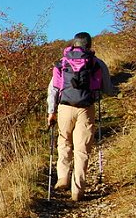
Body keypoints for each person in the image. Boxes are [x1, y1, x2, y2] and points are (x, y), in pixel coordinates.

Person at [46, 32, 116, 201]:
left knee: (64, 142)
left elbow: (53, 89)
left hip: (64, 107)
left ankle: (63, 177)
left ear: (74, 44)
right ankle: (77, 190)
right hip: (86, 108)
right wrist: (114, 94)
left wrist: (51, 112)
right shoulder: (96, 63)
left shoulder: (62, 63)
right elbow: (107, 88)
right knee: (82, 149)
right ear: (89, 46)